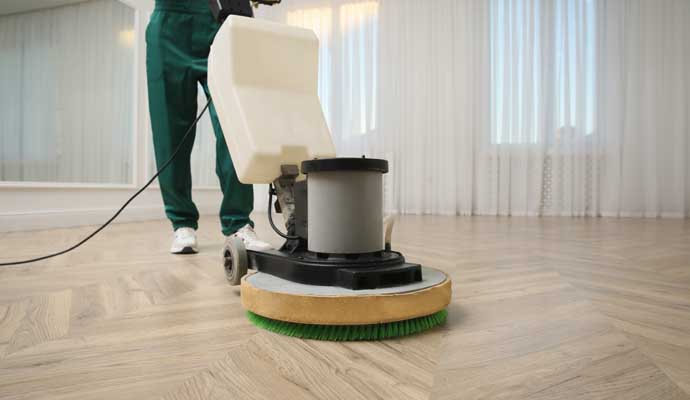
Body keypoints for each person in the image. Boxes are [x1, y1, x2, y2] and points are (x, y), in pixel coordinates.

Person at [146, 0, 271, 254]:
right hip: (169, 25)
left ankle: (238, 223)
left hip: (220, 21)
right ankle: (181, 223)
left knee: (233, 129)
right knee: (169, 132)